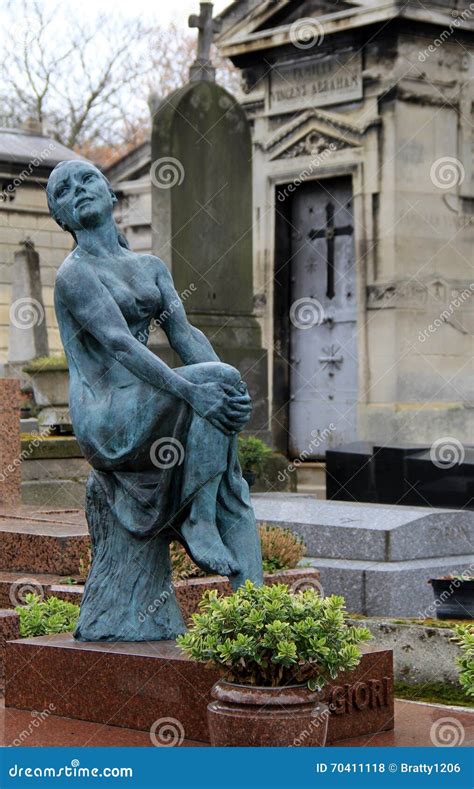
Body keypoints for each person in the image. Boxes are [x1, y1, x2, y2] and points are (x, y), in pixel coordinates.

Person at [47, 159, 263, 641]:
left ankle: (258, 611)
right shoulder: (74, 275)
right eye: (63, 191)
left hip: (150, 399)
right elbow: (122, 346)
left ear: (111, 194)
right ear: (60, 218)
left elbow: (186, 336)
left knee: (231, 475)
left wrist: (231, 392)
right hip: (108, 414)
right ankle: (199, 520)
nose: (77, 190)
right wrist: (197, 392)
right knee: (213, 392)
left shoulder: (150, 268)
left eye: (87, 180)